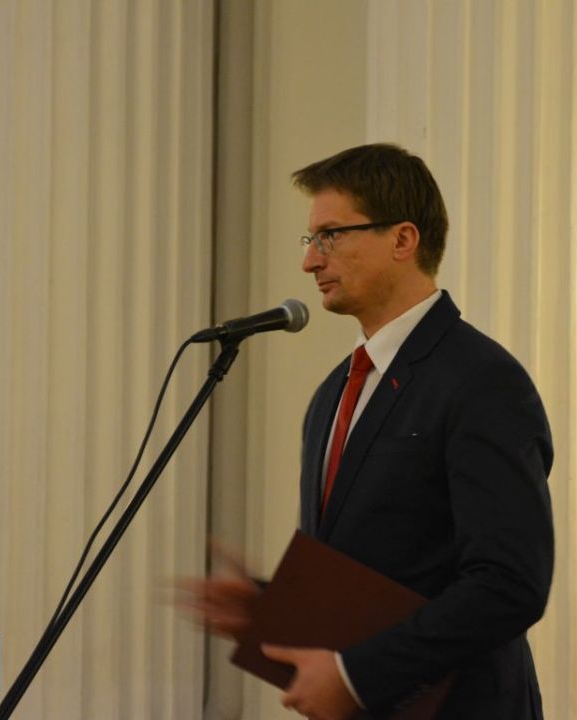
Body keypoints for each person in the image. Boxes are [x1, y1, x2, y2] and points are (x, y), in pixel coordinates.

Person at [179, 143, 554, 720]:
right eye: (311, 240)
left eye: (330, 236)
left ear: (403, 240)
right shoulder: (333, 394)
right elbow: (377, 568)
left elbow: (509, 584)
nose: (310, 262)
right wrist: (269, 607)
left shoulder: (481, 381)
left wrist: (358, 675)